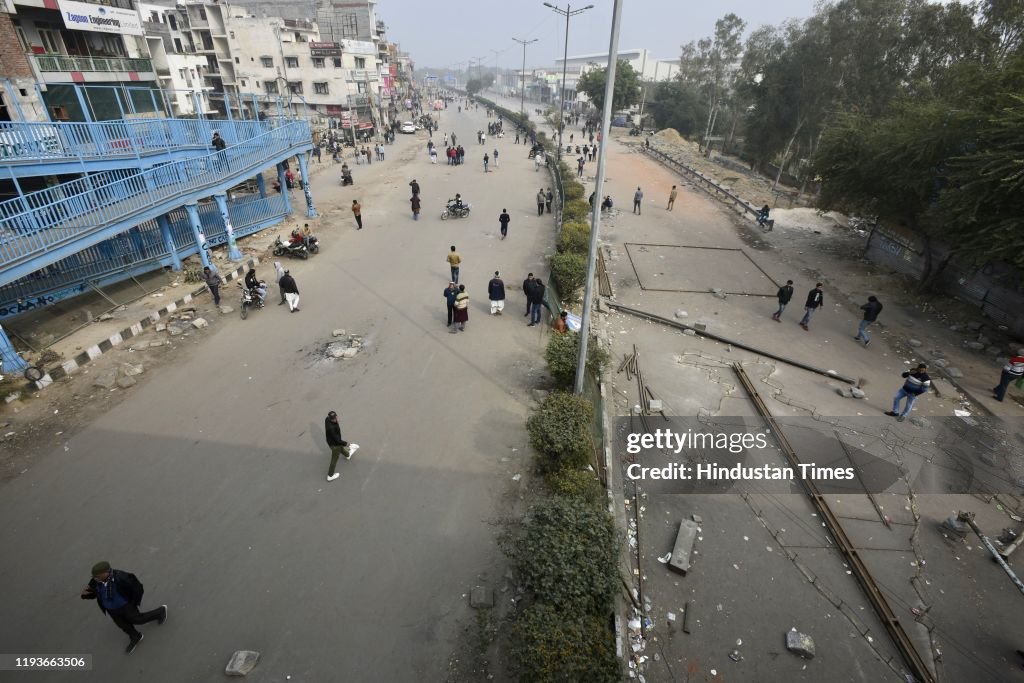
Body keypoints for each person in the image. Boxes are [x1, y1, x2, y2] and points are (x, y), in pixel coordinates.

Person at [81, 561, 167, 654]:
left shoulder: (122, 577)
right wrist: (85, 595)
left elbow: (138, 588)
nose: (94, 578)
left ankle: (160, 611)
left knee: (137, 619)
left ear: (106, 572)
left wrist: (133, 603)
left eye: (97, 576)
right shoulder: (96, 581)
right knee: (123, 625)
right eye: (94, 576)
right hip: (112, 609)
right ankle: (135, 636)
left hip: (125, 606)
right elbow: (93, 593)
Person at [325, 410, 358, 482]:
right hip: (334, 445)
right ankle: (330, 475)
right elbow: (338, 441)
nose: (336, 418)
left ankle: (348, 455)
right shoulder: (331, 429)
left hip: (331, 442)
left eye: (335, 416)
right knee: (334, 459)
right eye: (334, 418)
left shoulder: (327, 419)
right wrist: (349, 444)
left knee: (341, 448)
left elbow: (338, 441)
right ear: (331, 419)